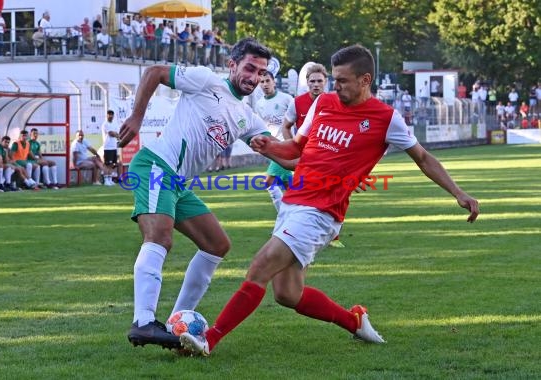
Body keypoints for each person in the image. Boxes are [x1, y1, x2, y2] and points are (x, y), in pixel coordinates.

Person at [180, 43, 480, 357]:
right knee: (287, 294)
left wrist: (458, 193)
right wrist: (268, 146)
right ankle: (354, 321)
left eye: (342, 80)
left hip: (321, 212)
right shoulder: (323, 103)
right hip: (293, 202)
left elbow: (423, 158)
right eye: (334, 79)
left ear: (365, 80)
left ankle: (209, 340)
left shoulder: (385, 118)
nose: (335, 86)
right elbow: (295, 149)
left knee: (260, 266)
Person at [117, 37, 272, 350]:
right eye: (249, 68)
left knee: (217, 244)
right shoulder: (206, 80)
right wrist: (137, 117)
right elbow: (155, 72)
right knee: (159, 238)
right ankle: (144, 322)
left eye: (260, 73)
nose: (254, 78)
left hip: (177, 183)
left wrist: (321, 160)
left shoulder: (247, 117)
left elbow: (281, 151)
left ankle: (177, 324)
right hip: (155, 166)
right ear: (233, 65)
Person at [282, 63, 345, 249]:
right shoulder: (297, 102)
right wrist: (292, 147)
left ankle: (333, 236)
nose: (316, 84)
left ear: (326, 82)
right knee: (301, 196)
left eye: (319, 81)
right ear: (307, 83)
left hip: (330, 159)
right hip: (305, 159)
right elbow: (286, 126)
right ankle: (292, 232)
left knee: (335, 193)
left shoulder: (337, 101)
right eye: (312, 81)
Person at [255, 70, 293, 210]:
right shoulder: (259, 104)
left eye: (267, 81)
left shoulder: (287, 99)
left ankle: (283, 217)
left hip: (285, 146)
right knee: (292, 188)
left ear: (274, 81)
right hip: (272, 147)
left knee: (269, 183)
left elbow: (296, 120)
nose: (265, 84)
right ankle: (303, 209)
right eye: (262, 82)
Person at [101, 110, 120, 186]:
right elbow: (111, 133)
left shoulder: (115, 124)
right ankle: (106, 179)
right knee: (107, 164)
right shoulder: (105, 124)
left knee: (112, 164)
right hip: (107, 146)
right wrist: (115, 134)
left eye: (112, 115)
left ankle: (110, 178)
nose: (110, 116)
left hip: (114, 146)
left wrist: (115, 134)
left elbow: (117, 134)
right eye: (109, 115)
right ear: (107, 115)